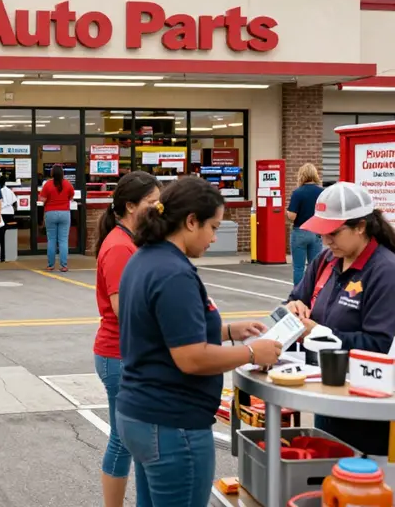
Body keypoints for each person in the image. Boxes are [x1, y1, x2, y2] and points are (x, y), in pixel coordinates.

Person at [116, 176, 281, 507]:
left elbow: (164, 331)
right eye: (214, 227)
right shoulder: (174, 273)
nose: (214, 238)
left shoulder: (145, 258)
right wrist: (251, 353)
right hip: (173, 423)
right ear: (191, 221)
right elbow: (190, 358)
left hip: (142, 414)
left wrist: (229, 331)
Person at [285, 180, 395, 455]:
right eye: (321, 233)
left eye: (333, 232)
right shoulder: (326, 260)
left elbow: (380, 345)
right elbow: (294, 299)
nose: (325, 240)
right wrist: (292, 308)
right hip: (326, 393)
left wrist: (319, 333)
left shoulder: (385, 272)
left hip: (367, 407)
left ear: (361, 227)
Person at [93, 171, 160, 507]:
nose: (158, 208)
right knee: (123, 440)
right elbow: (124, 309)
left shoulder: (130, 241)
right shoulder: (119, 247)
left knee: (135, 439)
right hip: (118, 355)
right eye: (151, 203)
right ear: (131, 206)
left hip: (125, 353)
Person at [287, 163, 324, 284]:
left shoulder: (298, 193)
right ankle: (313, 295)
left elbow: (292, 216)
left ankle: (299, 296)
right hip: (316, 232)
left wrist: (285, 212)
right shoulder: (322, 192)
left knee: (298, 268)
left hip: (300, 231)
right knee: (315, 268)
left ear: (301, 175)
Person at [39, 164, 75, 272]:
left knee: (51, 240)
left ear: (52, 173)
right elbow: (71, 197)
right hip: (65, 213)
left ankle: (51, 265)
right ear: (63, 173)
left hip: (50, 213)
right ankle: (63, 265)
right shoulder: (68, 184)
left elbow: (42, 199)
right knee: (63, 240)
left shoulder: (48, 185)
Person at [0, 175, 17, 262]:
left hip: (1, 213)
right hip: (9, 213)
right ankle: (4, 256)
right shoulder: (9, 191)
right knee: (6, 236)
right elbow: (14, 202)